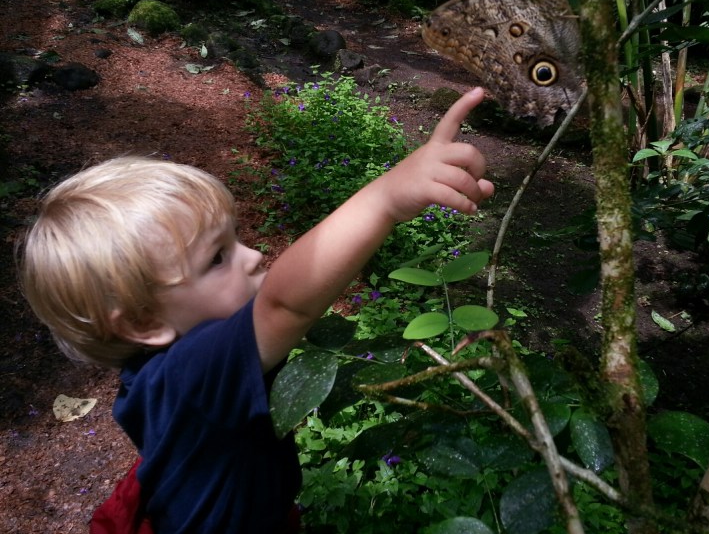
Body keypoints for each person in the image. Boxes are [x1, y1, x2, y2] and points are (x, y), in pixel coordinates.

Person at [19, 87, 494, 534]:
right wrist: (387, 198)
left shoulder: (164, 378)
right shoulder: (188, 379)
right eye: (217, 258)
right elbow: (284, 304)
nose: (253, 256)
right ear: (144, 322)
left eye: (236, 239)